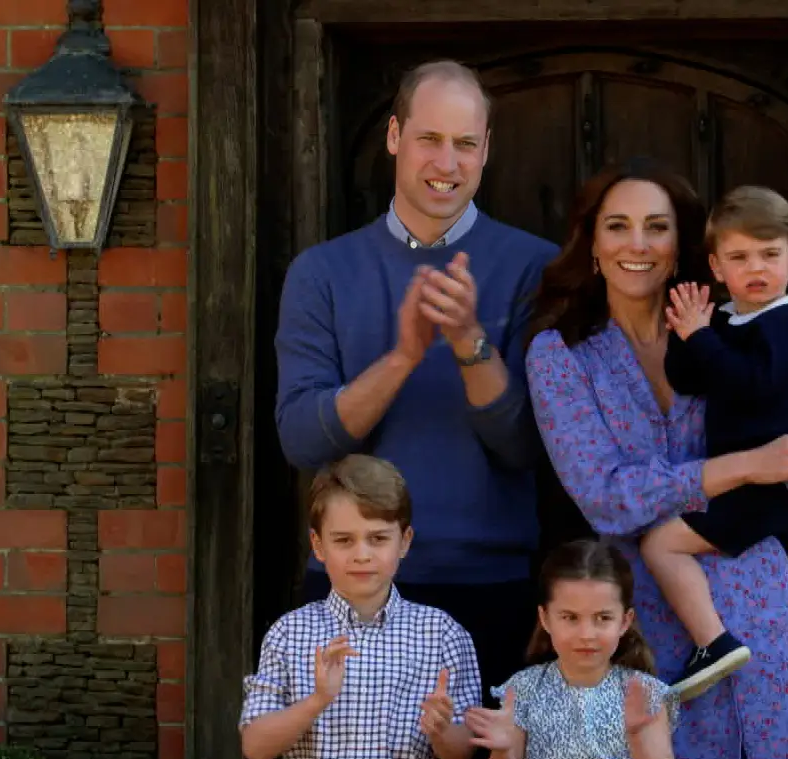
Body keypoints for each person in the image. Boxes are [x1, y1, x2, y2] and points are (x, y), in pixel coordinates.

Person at [524, 158, 788, 759]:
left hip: (767, 611)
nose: (638, 244)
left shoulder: (732, 330)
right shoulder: (562, 355)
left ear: (680, 246)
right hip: (648, 629)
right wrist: (750, 465)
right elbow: (606, 498)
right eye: (618, 226)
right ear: (592, 245)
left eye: (656, 227)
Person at [273, 59, 558, 706]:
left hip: (492, 587)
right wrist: (403, 356)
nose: (447, 163)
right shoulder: (321, 273)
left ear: (487, 149)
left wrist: (469, 344)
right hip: (352, 589)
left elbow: (527, 447)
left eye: (465, 144)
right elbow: (302, 441)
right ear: (395, 135)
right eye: (430, 139)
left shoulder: (536, 269)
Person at [639, 185, 788, 700]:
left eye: (770, 255)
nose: (756, 268)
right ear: (716, 266)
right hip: (739, 479)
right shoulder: (733, 320)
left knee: (660, 544)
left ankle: (714, 644)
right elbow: (689, 378)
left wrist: (702, 337)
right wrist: (687, 332)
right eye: (739, 257)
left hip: (764, 486)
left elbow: (752, 386)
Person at [239, 454, 481, 759]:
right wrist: (317, 700)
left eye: (378, 538)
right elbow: (255, 746)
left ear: (404, 541)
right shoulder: (289, 633)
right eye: (344, 540)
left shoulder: (443, 634)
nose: (362, 555)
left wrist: (442, 731)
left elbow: (466, 750)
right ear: (318, 545)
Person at [464, 539, 678, 759]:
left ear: (624, 622)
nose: (586, 634)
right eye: (570, 617)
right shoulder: (523, 690)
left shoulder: (645, 695)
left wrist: (639, 740)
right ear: (545, 618)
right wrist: (504, 750)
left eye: (603, 618)